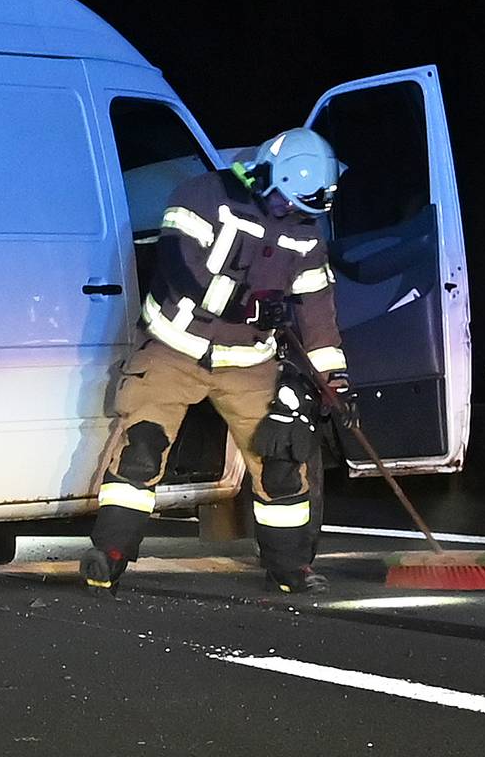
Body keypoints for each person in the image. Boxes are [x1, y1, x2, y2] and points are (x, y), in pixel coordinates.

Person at [83, 128, 353, 594]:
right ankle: (109, 553)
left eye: (303, 207)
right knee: (141, 449)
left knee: (281, 458)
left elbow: (317, 309)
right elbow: (180, 270)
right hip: (175, 348)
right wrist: (249, 305)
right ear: (266, 175)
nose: (291, 212)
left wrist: (334, 378)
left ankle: (291, 567)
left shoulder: (307, 235)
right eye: (287, 201)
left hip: (249, 361)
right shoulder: (201, 196)